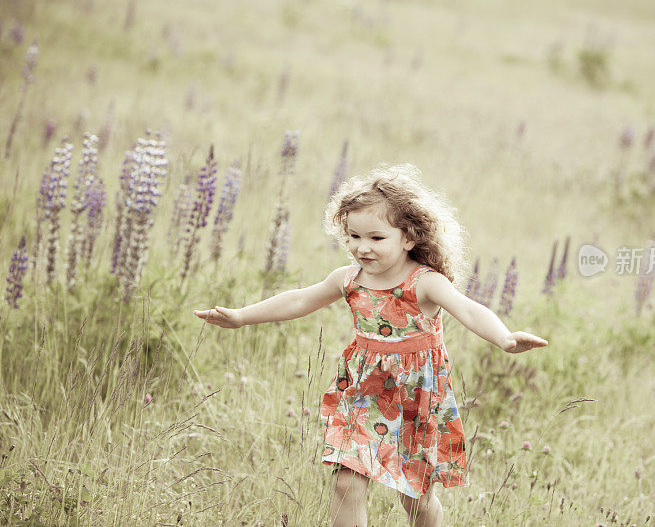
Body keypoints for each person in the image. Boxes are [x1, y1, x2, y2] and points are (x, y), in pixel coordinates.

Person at [193, 164, 548, 527]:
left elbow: (469, 310)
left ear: (408, 238)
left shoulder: (424, 283)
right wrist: (240, 316)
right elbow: (299, 300)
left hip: (414, 399)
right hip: (363, 392)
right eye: (353, 236)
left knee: (416, 500)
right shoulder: (348, 279)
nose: (362, 247)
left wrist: (505, 338)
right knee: (346, 482)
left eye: (376, 238)